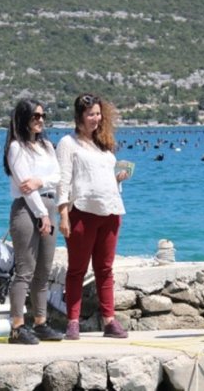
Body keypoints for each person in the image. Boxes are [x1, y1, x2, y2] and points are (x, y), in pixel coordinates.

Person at [56, 93, 130, 340]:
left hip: (111, 211)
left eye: (98, 114)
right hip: (82, 212)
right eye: (90, 114)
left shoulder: (103, 145)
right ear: (79, 116)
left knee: (105, 269)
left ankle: (109, 321)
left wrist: (118, 179)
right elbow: (63, 180)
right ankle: (73, 322)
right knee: (77, 269)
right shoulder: (68, 143)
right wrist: (63, 214)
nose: (96, 119)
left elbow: (102, 179)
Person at [2, 100, 64, 345]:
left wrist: (41, 181)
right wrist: (42, 214)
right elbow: (25, 186)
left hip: (48, 204)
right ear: (23, 118)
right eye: (35, 116)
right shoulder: (16, 148)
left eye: (42, 116)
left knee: (44, 271)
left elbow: (58, 176)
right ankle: (17, 326)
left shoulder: (47, 146)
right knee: (25, 270)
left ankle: (40, 322)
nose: (40, 120)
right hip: (27, 209)